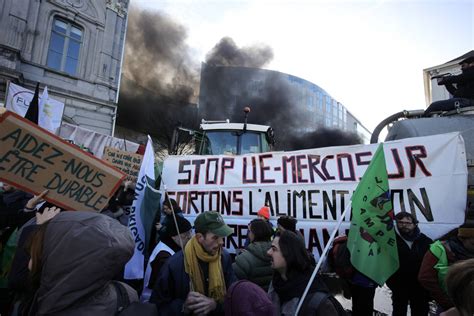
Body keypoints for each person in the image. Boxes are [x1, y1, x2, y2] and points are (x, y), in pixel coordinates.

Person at [18, 210, 138, 315]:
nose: (28, 264)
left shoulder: (45, 301)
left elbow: (16, 279)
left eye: (37, 255)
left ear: (64, 259)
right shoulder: (124, 294)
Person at [150, 211, 236, 315]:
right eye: (215, 237)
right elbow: (157, 306)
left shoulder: (224, 258)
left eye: (222, 236)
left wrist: (215, 305)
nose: (221, 242)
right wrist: (182, 307)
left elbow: (234, 296)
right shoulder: (174, 264)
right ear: (200, 237)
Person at [267, 230, 343, 315]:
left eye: (274, 249)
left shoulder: (317, 299)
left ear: (289, 253)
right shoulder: (276, 285)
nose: (268, 252)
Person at [418, 222, 474, 311]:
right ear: (461, 238)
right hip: (449, 306)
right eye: (473, 243)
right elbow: (425, 277)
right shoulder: (440, 249)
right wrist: (447, 303)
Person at [386, 212, 433, 316]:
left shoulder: (424, 240)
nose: (404, 225)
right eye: (400, 222)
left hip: (419, 286)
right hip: (399, 284)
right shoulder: (390, 240)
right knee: (399, 311)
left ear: (415, 224)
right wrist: (391, 282)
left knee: (420, 311)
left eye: (408, 222)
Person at [141, 216, 193, 302]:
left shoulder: (174, 246)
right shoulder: (164, 256)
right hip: (153, 302)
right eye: (185, 234)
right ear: (173, 236)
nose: (190, 237)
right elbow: (166, 287)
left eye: (190, 232)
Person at [233, 219, 273, 290]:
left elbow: (235, 287)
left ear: (254, 234)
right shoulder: (278, 255)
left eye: (250, 231)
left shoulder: (243, 259)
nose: (248, 234)